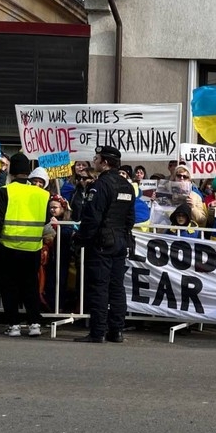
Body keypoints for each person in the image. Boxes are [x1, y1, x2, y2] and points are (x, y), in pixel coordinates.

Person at [72, 145, 135, 343]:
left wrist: (81, 239)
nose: (95, 161)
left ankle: (97, 331)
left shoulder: (100, 185)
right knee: (117, 287)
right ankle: (116, 331)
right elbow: (130, 218)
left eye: (97, 158)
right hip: (120, 241)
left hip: (101, 242)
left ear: (105, 162)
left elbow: (92, 217)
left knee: (99, 287)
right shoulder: (127, 186)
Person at [0, 153, 50, 338]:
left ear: (12, 171)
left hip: (7, 247)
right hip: (32, 249)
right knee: (30, 286)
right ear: (28, 172)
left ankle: (13, 324)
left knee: (9, 287)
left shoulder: (4, 191)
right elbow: (46, 219)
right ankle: (34, 323)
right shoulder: (43, 194)